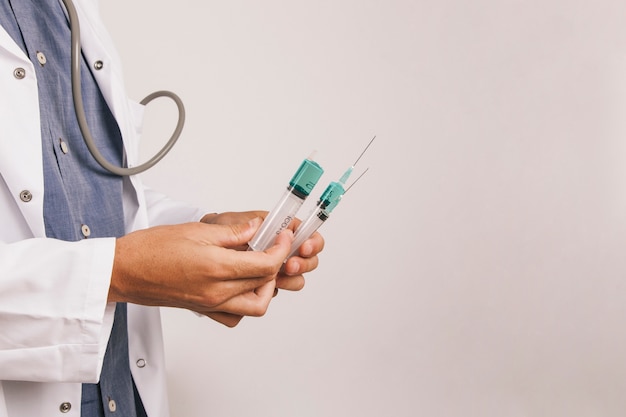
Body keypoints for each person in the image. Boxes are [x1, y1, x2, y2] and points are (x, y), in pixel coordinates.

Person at [0, 0, 324, 416]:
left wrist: (205, 235)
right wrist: (119, 273)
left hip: (125, 394)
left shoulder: (69, 10)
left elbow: (93, 195)